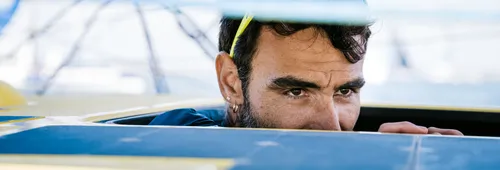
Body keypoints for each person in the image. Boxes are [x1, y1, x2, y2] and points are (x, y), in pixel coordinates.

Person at [149, 15, 463, 136]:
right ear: (231, 81)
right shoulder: (172, 137)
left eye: (345, 91)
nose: (332, 126)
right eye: (297, 91)